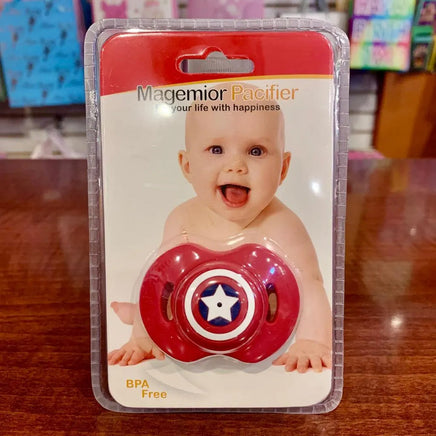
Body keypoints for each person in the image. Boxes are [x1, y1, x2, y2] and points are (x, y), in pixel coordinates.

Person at [108, 83, 332, 373]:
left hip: (260, 326)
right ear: (187, 165)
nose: (236, 165)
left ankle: (133, 313)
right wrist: (143, 336)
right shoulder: (182, 219)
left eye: (256, 150)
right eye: (216, 149)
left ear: (283, 168)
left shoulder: (283, 225)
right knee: (154, 306)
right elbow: (160, 286)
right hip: (196, 320)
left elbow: (310, 285)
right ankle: (134, 315)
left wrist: (313, 340)